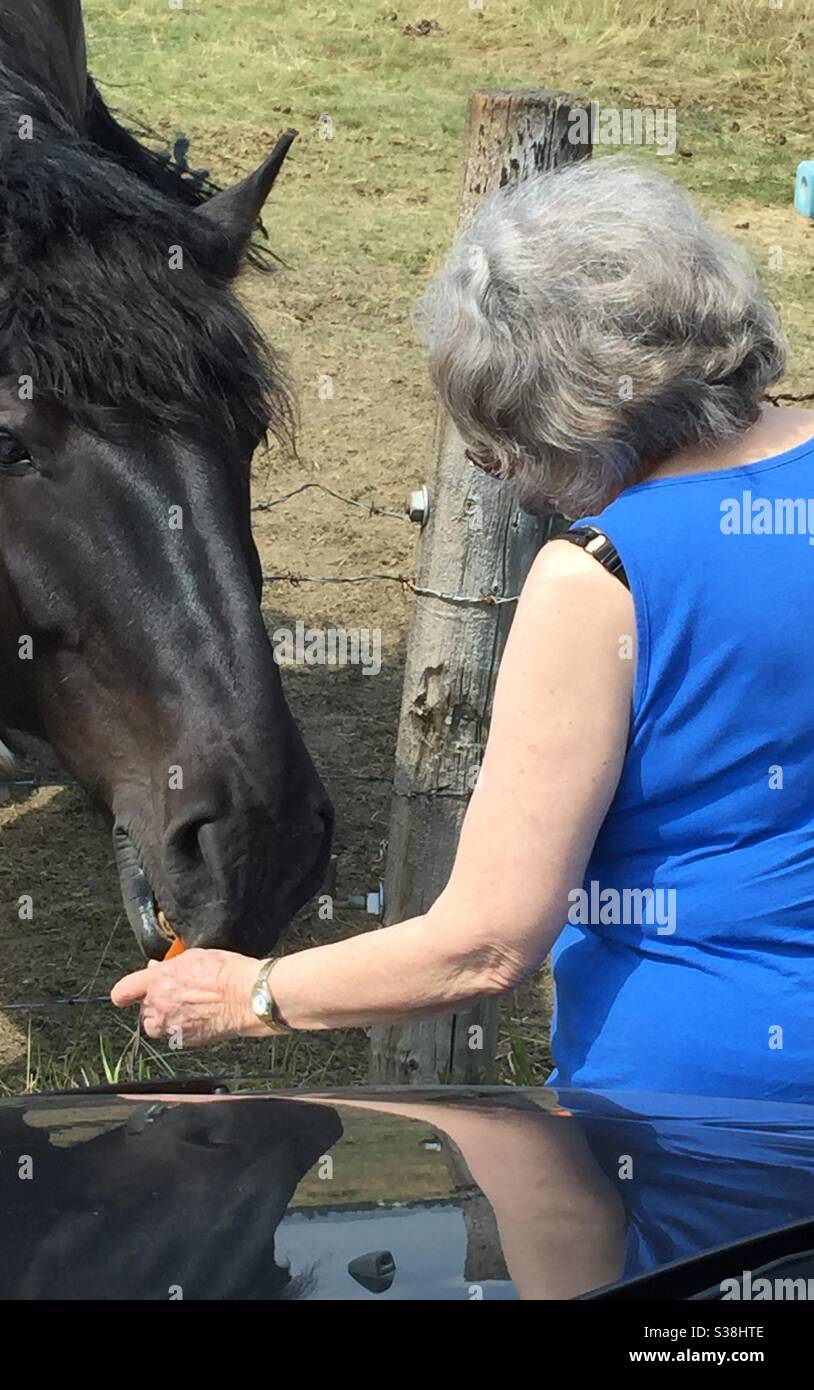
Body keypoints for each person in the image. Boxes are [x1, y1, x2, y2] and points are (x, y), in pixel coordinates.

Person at [113, 157, 814, 1102]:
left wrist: (255, 994)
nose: (496, 473)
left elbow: (487, 944)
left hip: (699, 1119)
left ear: (565, 408)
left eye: (495, 440)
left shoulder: (603, 578)